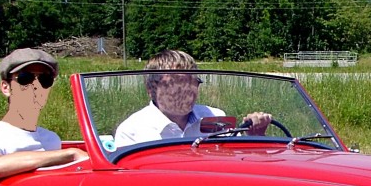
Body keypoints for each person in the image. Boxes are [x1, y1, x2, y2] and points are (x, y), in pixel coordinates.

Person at [0, 47, 88, 179]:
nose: (36, 85)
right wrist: (71, 154)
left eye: (45, 80)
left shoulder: (51, 139)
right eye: (25, 78)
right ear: (6, 88)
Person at [113, 49, 272, 147]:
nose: (187, 89)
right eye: (176, 82)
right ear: (151, 88)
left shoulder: (214, 117)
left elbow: (234, 162)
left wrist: (255, 137)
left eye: (193, 81)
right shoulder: (132, 131)